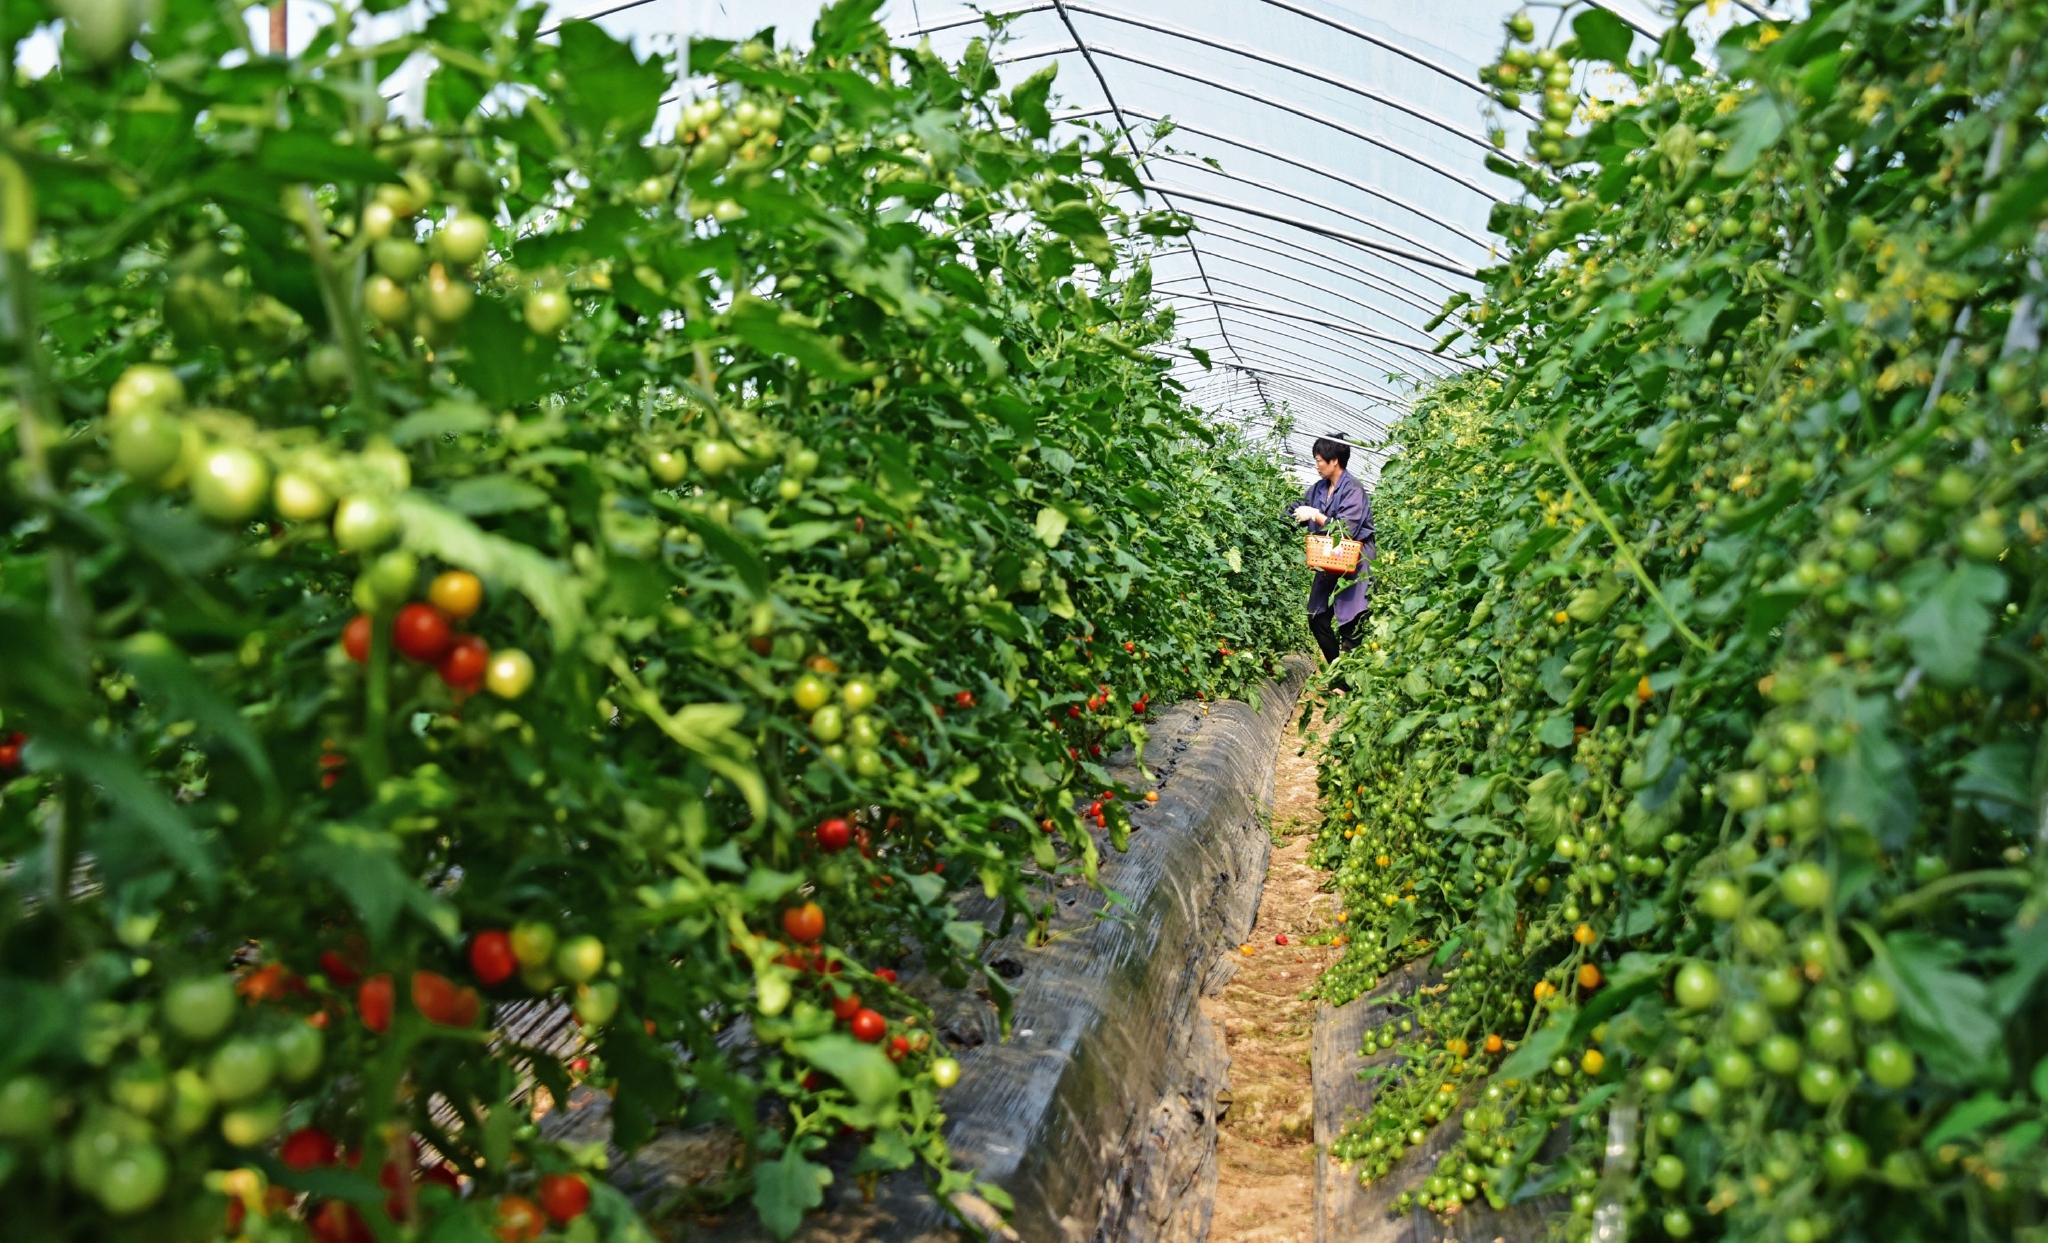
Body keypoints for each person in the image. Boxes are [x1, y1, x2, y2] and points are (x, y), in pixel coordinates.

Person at [1292, 436, 1374, 684]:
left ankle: (1346, 683)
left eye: (1319, 460)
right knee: (1316, 616)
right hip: (1327, 559)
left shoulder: (1353, 490)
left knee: (1351, 621)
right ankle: (1339, 673)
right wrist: (1290, 513)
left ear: (1334, 461)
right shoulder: (1319, 487)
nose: (1316, 465)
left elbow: (1346, 530)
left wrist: (1316, 515)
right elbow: (1302, 504)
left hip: (1354, 561)